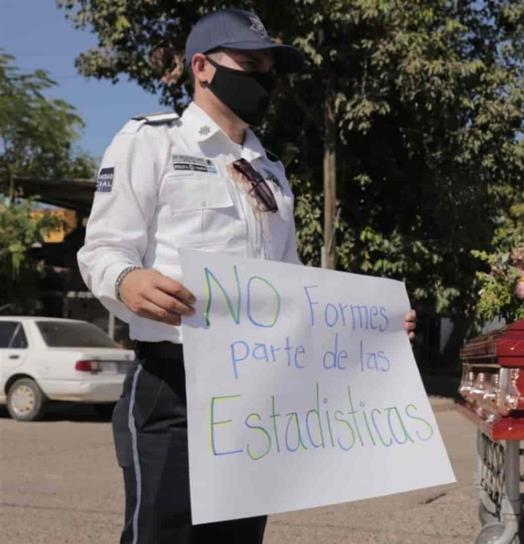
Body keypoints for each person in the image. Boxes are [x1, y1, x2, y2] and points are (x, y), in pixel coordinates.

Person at [77, 9, 416, 543]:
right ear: (202, 68)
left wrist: (372, 327)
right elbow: (101, 249)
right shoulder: (153, 141)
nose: (262, 76)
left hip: (256, 396)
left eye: (268, 66)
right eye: (248, 62)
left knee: (236, 538)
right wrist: (126, 282)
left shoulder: (272, 172)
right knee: (162, 535)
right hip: (175, 385)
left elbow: (294, 291)